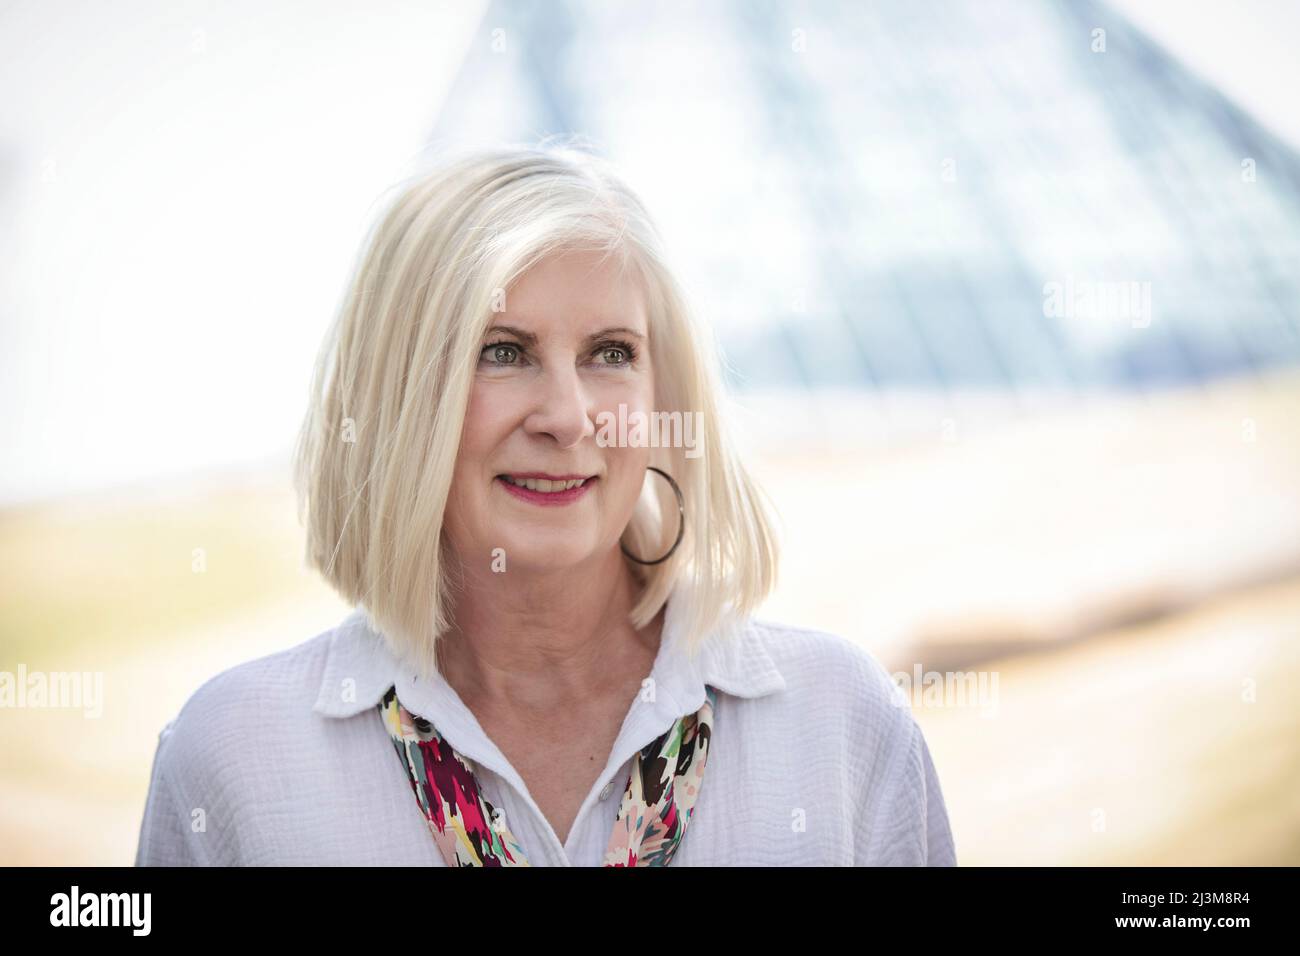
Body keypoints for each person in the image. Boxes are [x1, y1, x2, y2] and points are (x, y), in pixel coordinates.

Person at [134, 143, 956, 866]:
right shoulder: (233, 756)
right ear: (397, 394)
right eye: (503, 352)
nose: (567, 417)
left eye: (609, 353)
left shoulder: (840, 724)